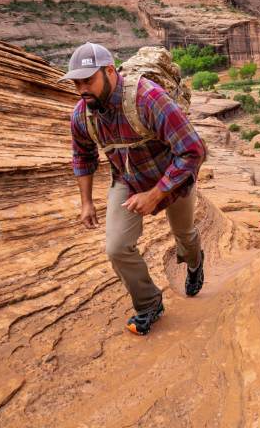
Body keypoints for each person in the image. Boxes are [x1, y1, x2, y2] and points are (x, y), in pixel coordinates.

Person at [60, 42, 206, 336]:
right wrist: (86, 201)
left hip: (173, 179)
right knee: (116, 247)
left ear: (110, 71)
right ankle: (149, 303)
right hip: (128, 181)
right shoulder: (82, 115)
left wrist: (156, 194)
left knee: (185, 235)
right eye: (76, 82)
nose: (81, 89)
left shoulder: (147, 98)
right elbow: (82, 156)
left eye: (88, 80)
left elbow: (193, 150)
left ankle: (194, 262)